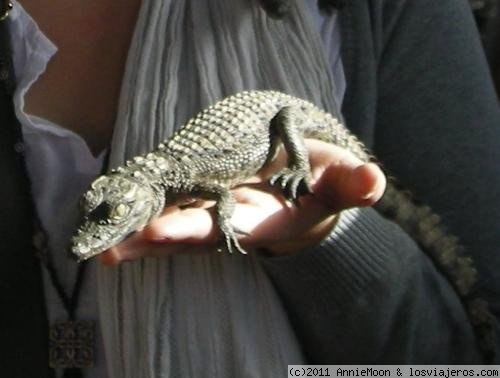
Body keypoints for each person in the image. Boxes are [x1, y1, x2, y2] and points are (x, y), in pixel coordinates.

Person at [0, 0, 499, 377]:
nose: (89, 233)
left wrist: (330, 236)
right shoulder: (158, 183)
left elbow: (472, 361)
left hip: (282, 123)